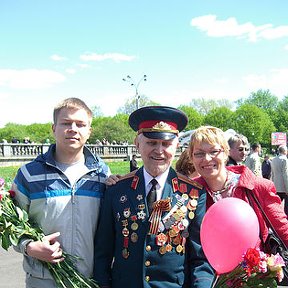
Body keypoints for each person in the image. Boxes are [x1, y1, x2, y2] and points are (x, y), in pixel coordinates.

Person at [94, 106, 214, 288]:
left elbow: (200, 258)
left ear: (177, 146)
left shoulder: (194, 194)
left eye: (166, 144)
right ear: (137, 144)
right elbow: (103, 253)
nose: (159, 151)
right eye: (151, 143)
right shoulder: (116, 190)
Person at [12, 97, 110, 287]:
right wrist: (29, 247)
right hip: (43, 280)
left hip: (89, 280)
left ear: (89, 131)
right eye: (66, 123)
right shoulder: (29, 174)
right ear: (53, 128)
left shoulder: (102, 174)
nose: (73, 129)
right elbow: (12, 226)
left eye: (80, 124)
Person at [188, 126, 288, 249]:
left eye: (214, 151)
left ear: (225, 153)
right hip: (207, 267)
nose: (207, 158)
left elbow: (284, 232)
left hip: (254, 266)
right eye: (199, 153)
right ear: (191, 158)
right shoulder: (188, 192)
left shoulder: (258, 188)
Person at [271, 145, 288, 215]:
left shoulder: (274, 159)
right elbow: (285, 174)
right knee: (286, 207)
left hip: (276, 185)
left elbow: (273, 173)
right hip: (284, 186)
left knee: (276, 205)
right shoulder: (285, 160)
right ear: (284, 151)